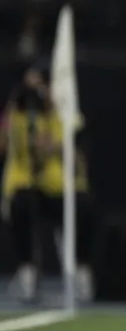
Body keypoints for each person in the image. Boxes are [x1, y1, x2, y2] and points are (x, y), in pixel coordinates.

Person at [1, 65, 95, 303]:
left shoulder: (66, 116)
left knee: (84, 204)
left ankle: (81, 268)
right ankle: (28, 269)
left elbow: (81, 157)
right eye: (30, 88)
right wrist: (12, 115)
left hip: (57, 188)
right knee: (21, 204)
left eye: (40, 87)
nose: (36, 94)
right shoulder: (16, 117)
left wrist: (55, 147)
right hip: (25, 185)